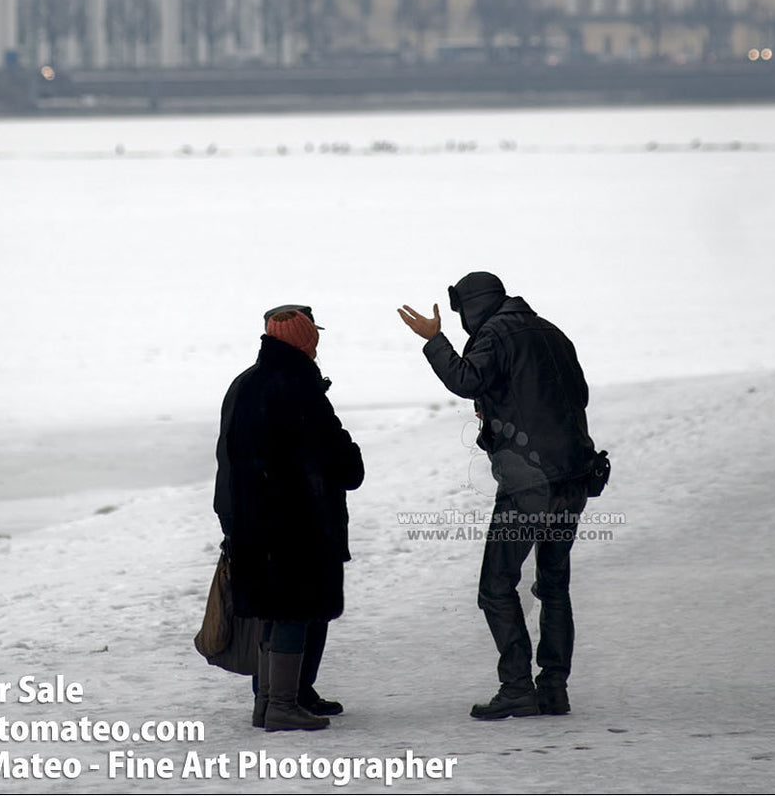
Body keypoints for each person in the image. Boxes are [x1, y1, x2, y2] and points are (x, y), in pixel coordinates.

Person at [399, 271, 595, 721]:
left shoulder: (495, 334)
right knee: (554, 585)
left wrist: (434, 340)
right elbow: (578, 394)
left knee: (495, 586)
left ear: (472, 306)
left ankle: (517, 688)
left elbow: (466, 379)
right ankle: (553, 689)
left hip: (530, 485)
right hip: (575, 477)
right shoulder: (551, 332)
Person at [213, 303, 364, 732]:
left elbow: (228, 457)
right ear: (305, 339)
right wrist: (350, 459)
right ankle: (283, 704)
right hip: (298, 523)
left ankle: (271, 702)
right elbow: (339, 459)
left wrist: (231, 517)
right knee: (296, 609)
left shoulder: (246, 384)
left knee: (273, 609)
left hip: (255, 520)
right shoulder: (299, 386)